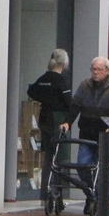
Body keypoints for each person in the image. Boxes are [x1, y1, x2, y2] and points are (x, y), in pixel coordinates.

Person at [61, 56, 109, 215]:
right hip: (87, 133)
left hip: (104, 134)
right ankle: (91, 194)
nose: (96, 73)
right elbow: (75, 105)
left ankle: (98, 198)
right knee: (83, 165)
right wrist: (68, 122)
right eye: (93, 69)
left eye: (99, 70)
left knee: (101, 169)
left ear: (107, 70)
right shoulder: (85, 85)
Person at [27, 49, 71, 203]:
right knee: (60, 157)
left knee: (47, 158)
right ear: (64, 64)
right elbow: (68, 102)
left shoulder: (43, 78)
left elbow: (31, 91)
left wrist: (44, 99)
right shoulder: (61, 81)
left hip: (44, 118)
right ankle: (57, 191)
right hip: (57, 120)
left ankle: (44, 193)